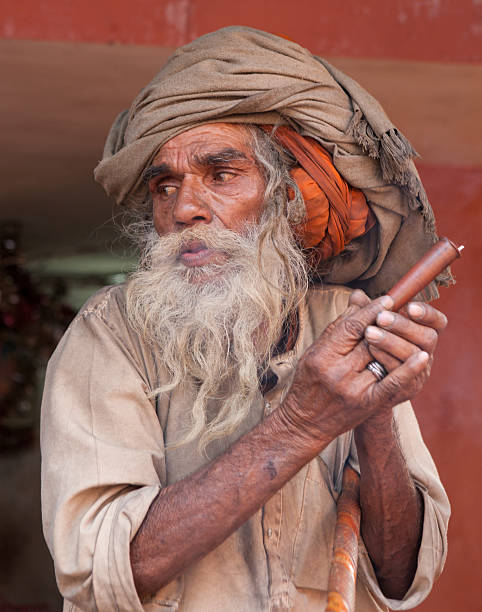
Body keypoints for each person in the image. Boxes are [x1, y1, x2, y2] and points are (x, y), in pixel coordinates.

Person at [41, 27, 450, 612]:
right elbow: (98, 568)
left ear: (284, 200)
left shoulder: (350, 320)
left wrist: (373, 410)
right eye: (165, 186)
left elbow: (403, 573)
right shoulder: (112, 333)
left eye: (221, 175)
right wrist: (303, 423)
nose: (186, 208)